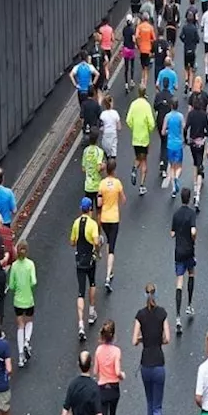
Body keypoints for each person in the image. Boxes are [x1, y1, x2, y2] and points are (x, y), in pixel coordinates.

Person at [134, 283, 172, 415]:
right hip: (159, 363)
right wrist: (157, 339)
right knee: (158, 404)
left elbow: (134, 340)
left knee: (149, 402)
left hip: (145, 364)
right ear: (155, 294)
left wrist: (145, 338)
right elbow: (167, 339)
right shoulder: (162, 313)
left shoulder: (140, 315)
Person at [70, 197, 103, 340]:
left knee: (80, 291)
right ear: (90, 209)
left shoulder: (76, 223)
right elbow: (96, 241)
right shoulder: (93, 224)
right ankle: (91, 312)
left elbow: (72, 242)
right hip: (90, 258)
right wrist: (98, 248)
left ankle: (80, 324)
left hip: (79, 260)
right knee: (93, 283)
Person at [171, 187, 199, 332]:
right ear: (189, 199)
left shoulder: (176, 214)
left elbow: (172, 233)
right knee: (191, 274)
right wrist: (193, 237)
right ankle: (189, 305)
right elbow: (193, 231)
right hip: (189, 250)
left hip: (178, 251)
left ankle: (177, 316)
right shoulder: (191, 214)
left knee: (179, 282)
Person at [98, 159, 125, 293]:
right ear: (114, 170)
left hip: (104, 218)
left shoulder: (102, 184)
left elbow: (98, 202)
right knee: (112, 248)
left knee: (109, 241)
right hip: (114, 218)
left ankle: (111, 269)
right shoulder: (118, 183)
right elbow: (123, 200)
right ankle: (108, 276)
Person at [8, 242, 37, 367]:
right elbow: (34, 281)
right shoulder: (30, 264)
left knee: (20, 326)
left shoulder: (14, 266)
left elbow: (11, 285)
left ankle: (20, 356)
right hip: (28, 299)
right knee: (29, 321)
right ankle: (27, 341)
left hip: (17, 301)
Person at [185, 85, 208, 212]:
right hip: (201, 142)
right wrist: (206, 135)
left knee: (195, 164)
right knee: (200, 163)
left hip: (192, 143)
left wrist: (186, 139)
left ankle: (195, 185)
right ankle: (197, 195)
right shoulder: (203, 115)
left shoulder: (190, 115)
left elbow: (185, 128)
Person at [126, 86, 156, 195]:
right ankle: (142, 185)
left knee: (138, 157)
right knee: (144, 160)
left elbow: (128, 120)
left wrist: (134, 127)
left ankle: (134, 168)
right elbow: (152, 123)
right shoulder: (147, 105)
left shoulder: (133, 104)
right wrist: (149, 129)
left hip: (135, 137)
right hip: (144, 138)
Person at [162, 97, 186, 198]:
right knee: (179, 166)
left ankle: (173, 189)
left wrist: (168, 131)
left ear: (171, 106)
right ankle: (176, 177)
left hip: (170, 144)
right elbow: (184, 127)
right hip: (178, 144)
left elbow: (163, 132)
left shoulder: (167, 116)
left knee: (171, 166)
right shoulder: (180, 116)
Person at [83, 128, 106, 209]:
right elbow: (99, 168)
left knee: (89, 209)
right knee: (99, 210)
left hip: (88, 186)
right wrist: (104, 165)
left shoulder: (86, 151)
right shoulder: (99, 151)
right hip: (97, 185)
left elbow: (83, 168)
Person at [100, 95, 121, 163]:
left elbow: (101, 127)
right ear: (111, 103)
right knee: (113, 152)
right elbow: (119, 127)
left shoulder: (102, 114)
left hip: (105, 135)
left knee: (106, 152)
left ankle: (107, 161)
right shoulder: (115, 113)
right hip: (113, 135)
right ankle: (112, 165)